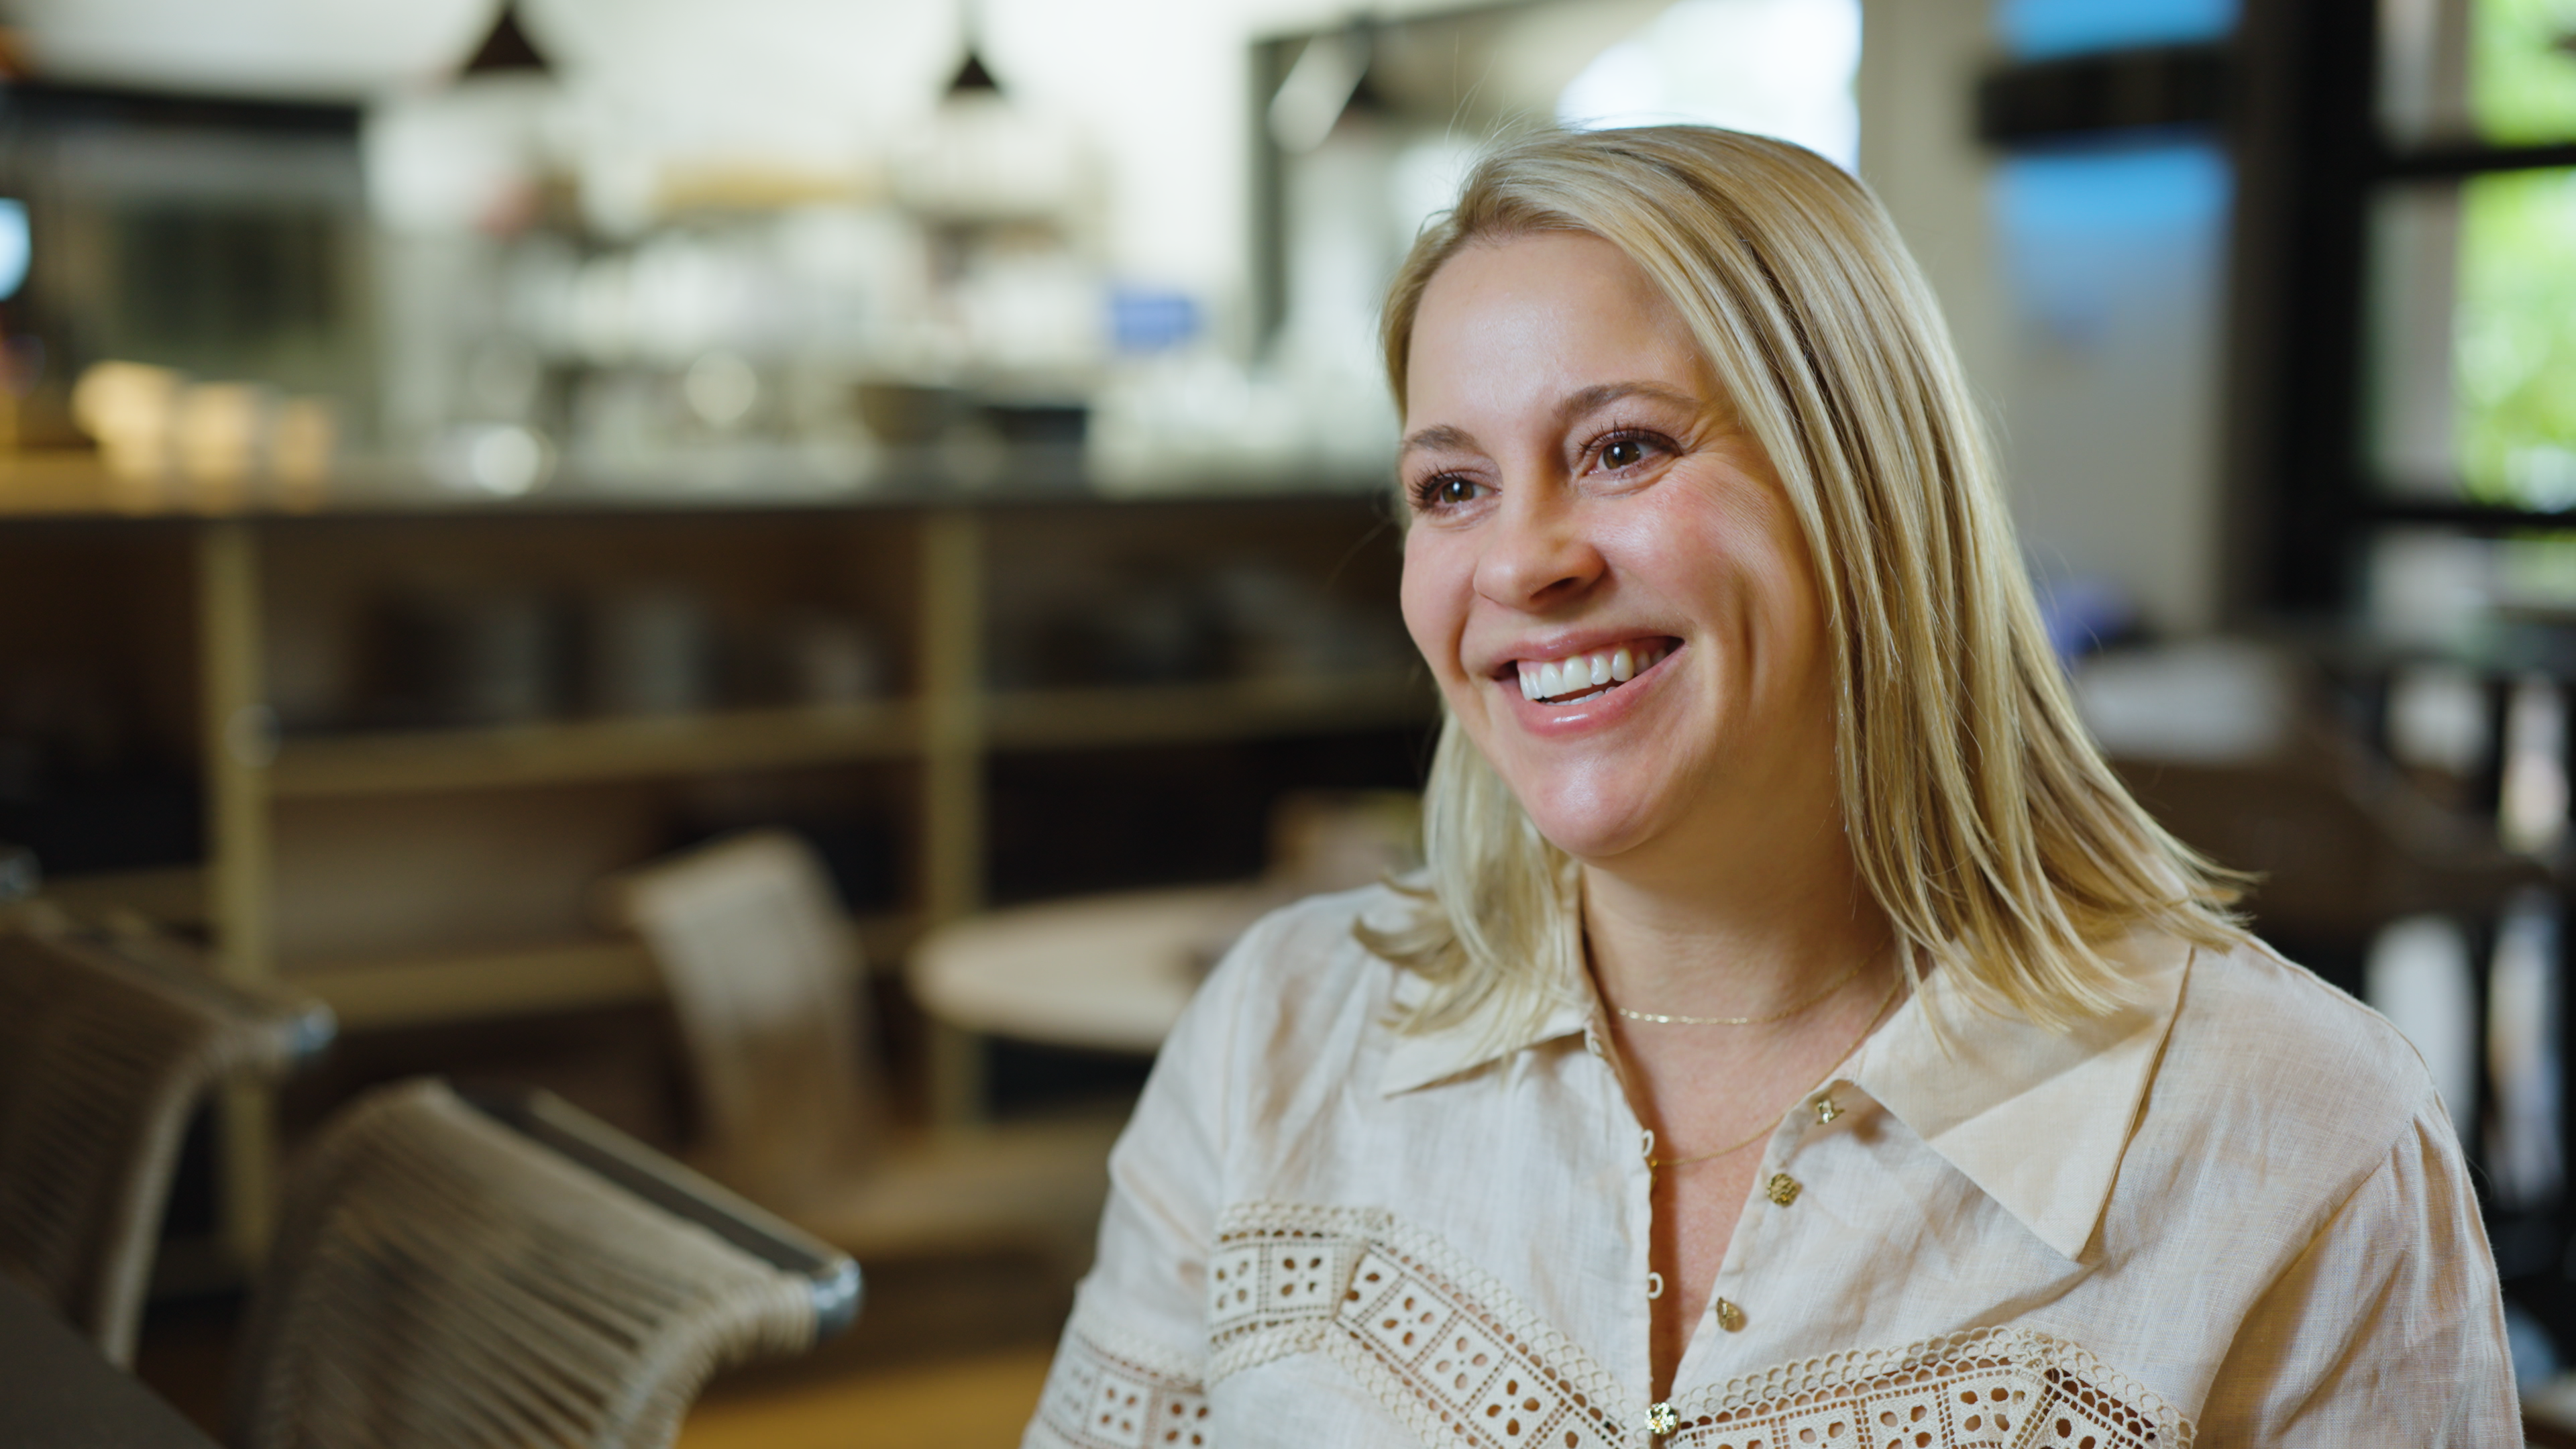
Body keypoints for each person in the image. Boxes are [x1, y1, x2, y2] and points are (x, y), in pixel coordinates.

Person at [1022, 125, 2518, 1448]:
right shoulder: (1274, 1034)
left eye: (1622, 449)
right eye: (1453, 487)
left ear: (1866, 489)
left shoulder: (2298, 1131)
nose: (1523, 561)